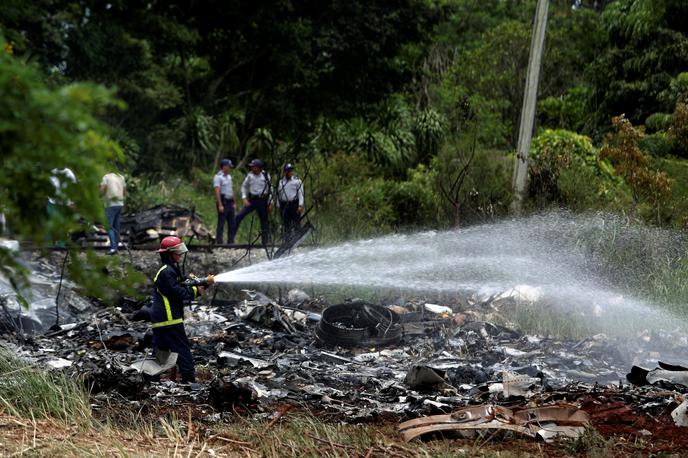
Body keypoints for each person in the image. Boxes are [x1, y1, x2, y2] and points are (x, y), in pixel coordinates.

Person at [150, 236, 204, 383]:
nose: (180, 255)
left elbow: (181, 281)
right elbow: (176, 293)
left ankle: (149, 379)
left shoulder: (170, 270)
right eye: (177, 252)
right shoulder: (166, 272)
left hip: (161, 320)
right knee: (182, 349)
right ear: (168, 253)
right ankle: (190, 381)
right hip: (169, 319)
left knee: (161, 352)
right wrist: (195, 291)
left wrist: (200, 281)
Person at [233, 159, 272, 245]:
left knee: (264, 221)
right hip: (252, 200)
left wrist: (270, 202)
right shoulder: (250, 176)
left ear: (258, 168)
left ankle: (265, 242)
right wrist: (244, 198)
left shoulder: (265, 175)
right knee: (239, 216)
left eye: (254, 167)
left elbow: (270, 189)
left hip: (262, 200)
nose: (252, 168)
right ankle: (231, 238)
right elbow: (243, 186)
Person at [100, 171, 126, 255]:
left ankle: (113, 248)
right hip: (120, 204)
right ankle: (116, 247)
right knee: (116, 226)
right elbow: (124, 192)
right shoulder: (121, 177)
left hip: (110, 204)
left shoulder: (106, 177)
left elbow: (102, 190)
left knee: (109, 226)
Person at [276, 163, 304, 241]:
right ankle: (287, 240)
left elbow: (301, 194)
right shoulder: (281, 182)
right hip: (284, 204)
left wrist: (300, 205)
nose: (290, 172)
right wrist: (278, 206)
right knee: (286, 223)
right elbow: (278, 194)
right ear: (285, 172)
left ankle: (298, 238)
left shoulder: (297, 181)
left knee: (296, 222)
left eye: (291, 170)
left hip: (294, 204)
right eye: (288, 171)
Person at [213, 158, 236, 244]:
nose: (230, 168)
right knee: (221, 222)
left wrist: (234, 202)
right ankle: (219, 242)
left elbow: (231, 190)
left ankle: (230, 241)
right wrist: (220, 204)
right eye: (229, 167)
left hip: (230, 201)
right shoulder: (218, 177)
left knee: (232, 223)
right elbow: (217, 190)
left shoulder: (229, 177)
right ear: (224, 167)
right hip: (223, 201)